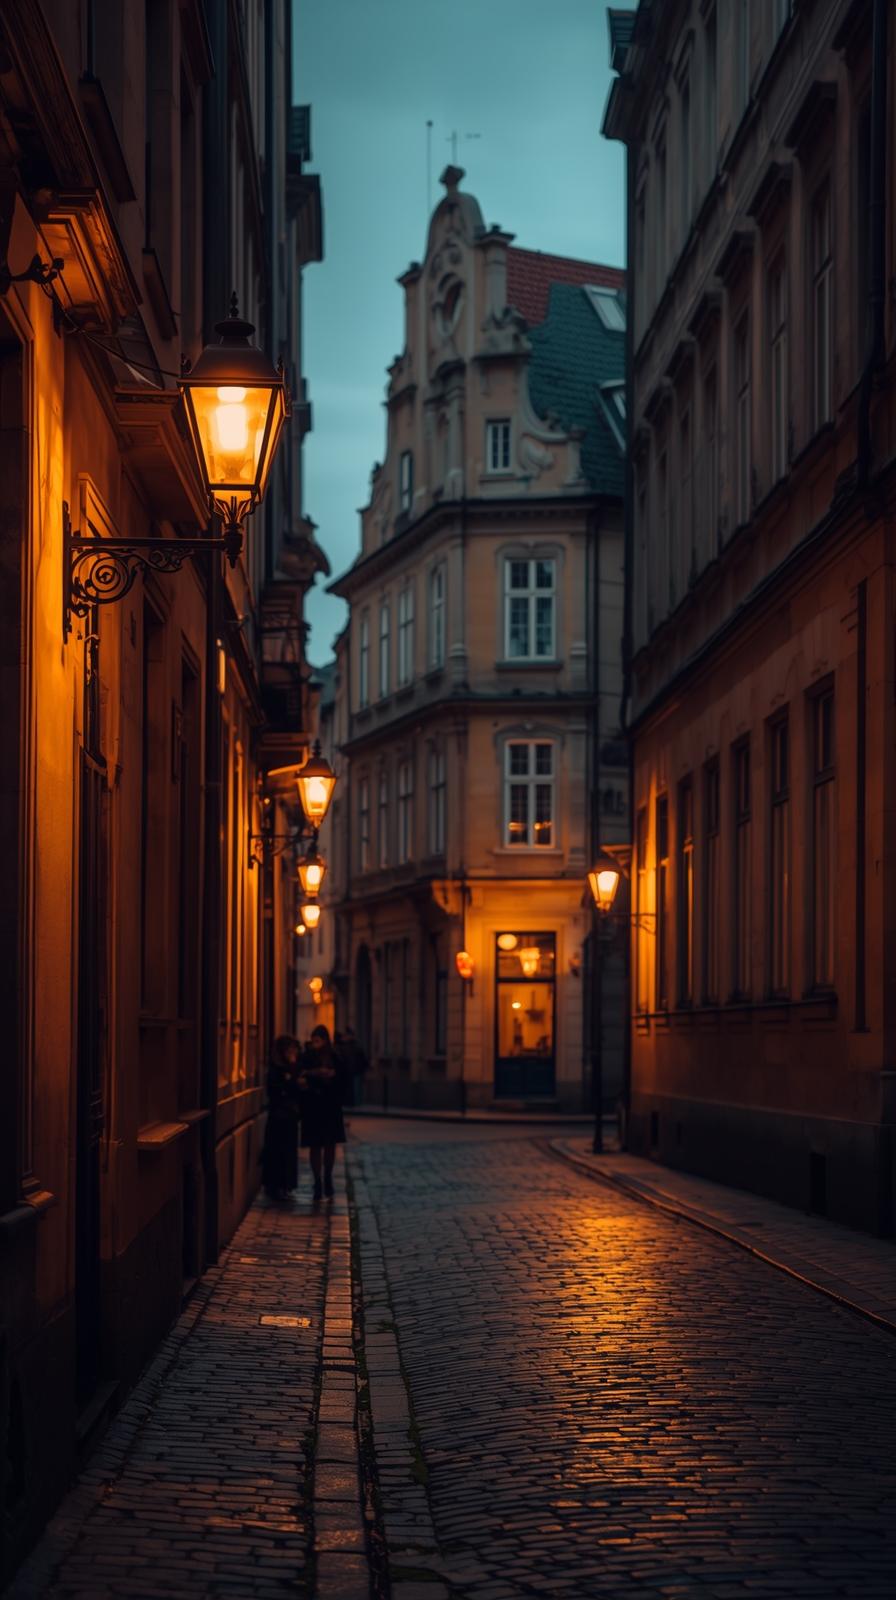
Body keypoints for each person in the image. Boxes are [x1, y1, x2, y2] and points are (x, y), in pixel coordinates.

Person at [298, 1024, 347, 1199]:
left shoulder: (335, 1056)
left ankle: (327, 1177)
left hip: (330, 1106)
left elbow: (344, 1078)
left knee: (330, 1144)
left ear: (325, 1040)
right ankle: (317, 1181)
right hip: (313, 1106)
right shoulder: (307, 1057)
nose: (315, 1044)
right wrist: (315, 1073)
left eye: (318, 1040)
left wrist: (333, 1076)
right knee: (315, 1145)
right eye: (313, 1040)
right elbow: (301, 1074)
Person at [260, 1035, 302, 1200]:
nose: (294, 1052)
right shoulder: (276, 1069)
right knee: (277, 1152)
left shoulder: (293, 1067)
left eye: (295, 1049)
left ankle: (285, 1185)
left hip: (289, 1117)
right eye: (291, 1049)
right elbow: (278, 1092)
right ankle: (275, 1185)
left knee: (288, 1153)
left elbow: (295, 1090)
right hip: (279, 1117)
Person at [338, 1025, 369, 1108]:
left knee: (355, 1089)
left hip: (355, 1071)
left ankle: (355, 1104)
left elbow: (361, 1059)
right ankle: (352, 1103)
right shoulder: (345, 1046)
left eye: (347, 1035)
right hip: (350, 1072)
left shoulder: (355, 1047)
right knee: (352, 1089)